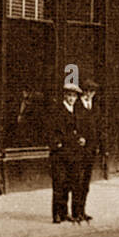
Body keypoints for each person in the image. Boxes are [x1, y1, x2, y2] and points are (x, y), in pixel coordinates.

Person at [48, 84, 86, 224]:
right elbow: (54, 132)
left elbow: (81, 129)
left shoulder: (76, 111)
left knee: (72, 183)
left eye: (74, 96)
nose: (71, 99)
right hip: (60, 154)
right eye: (69, 96)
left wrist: (82, 138)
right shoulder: (57, 111)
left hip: (74, 153)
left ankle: (66, 212)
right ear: (65, 95)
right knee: (59, 184)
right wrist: (60, 142)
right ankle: (57, 214)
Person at [75, 80, 100, 222]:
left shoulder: (95, 107)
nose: (89, 95)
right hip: (79, 149)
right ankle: (76, 211)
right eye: (87, 91)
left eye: (92, 92)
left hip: (90, 150)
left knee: (85, 182)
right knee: (77, 181)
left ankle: (82, 210)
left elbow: (98, 127)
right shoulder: (77, 106)